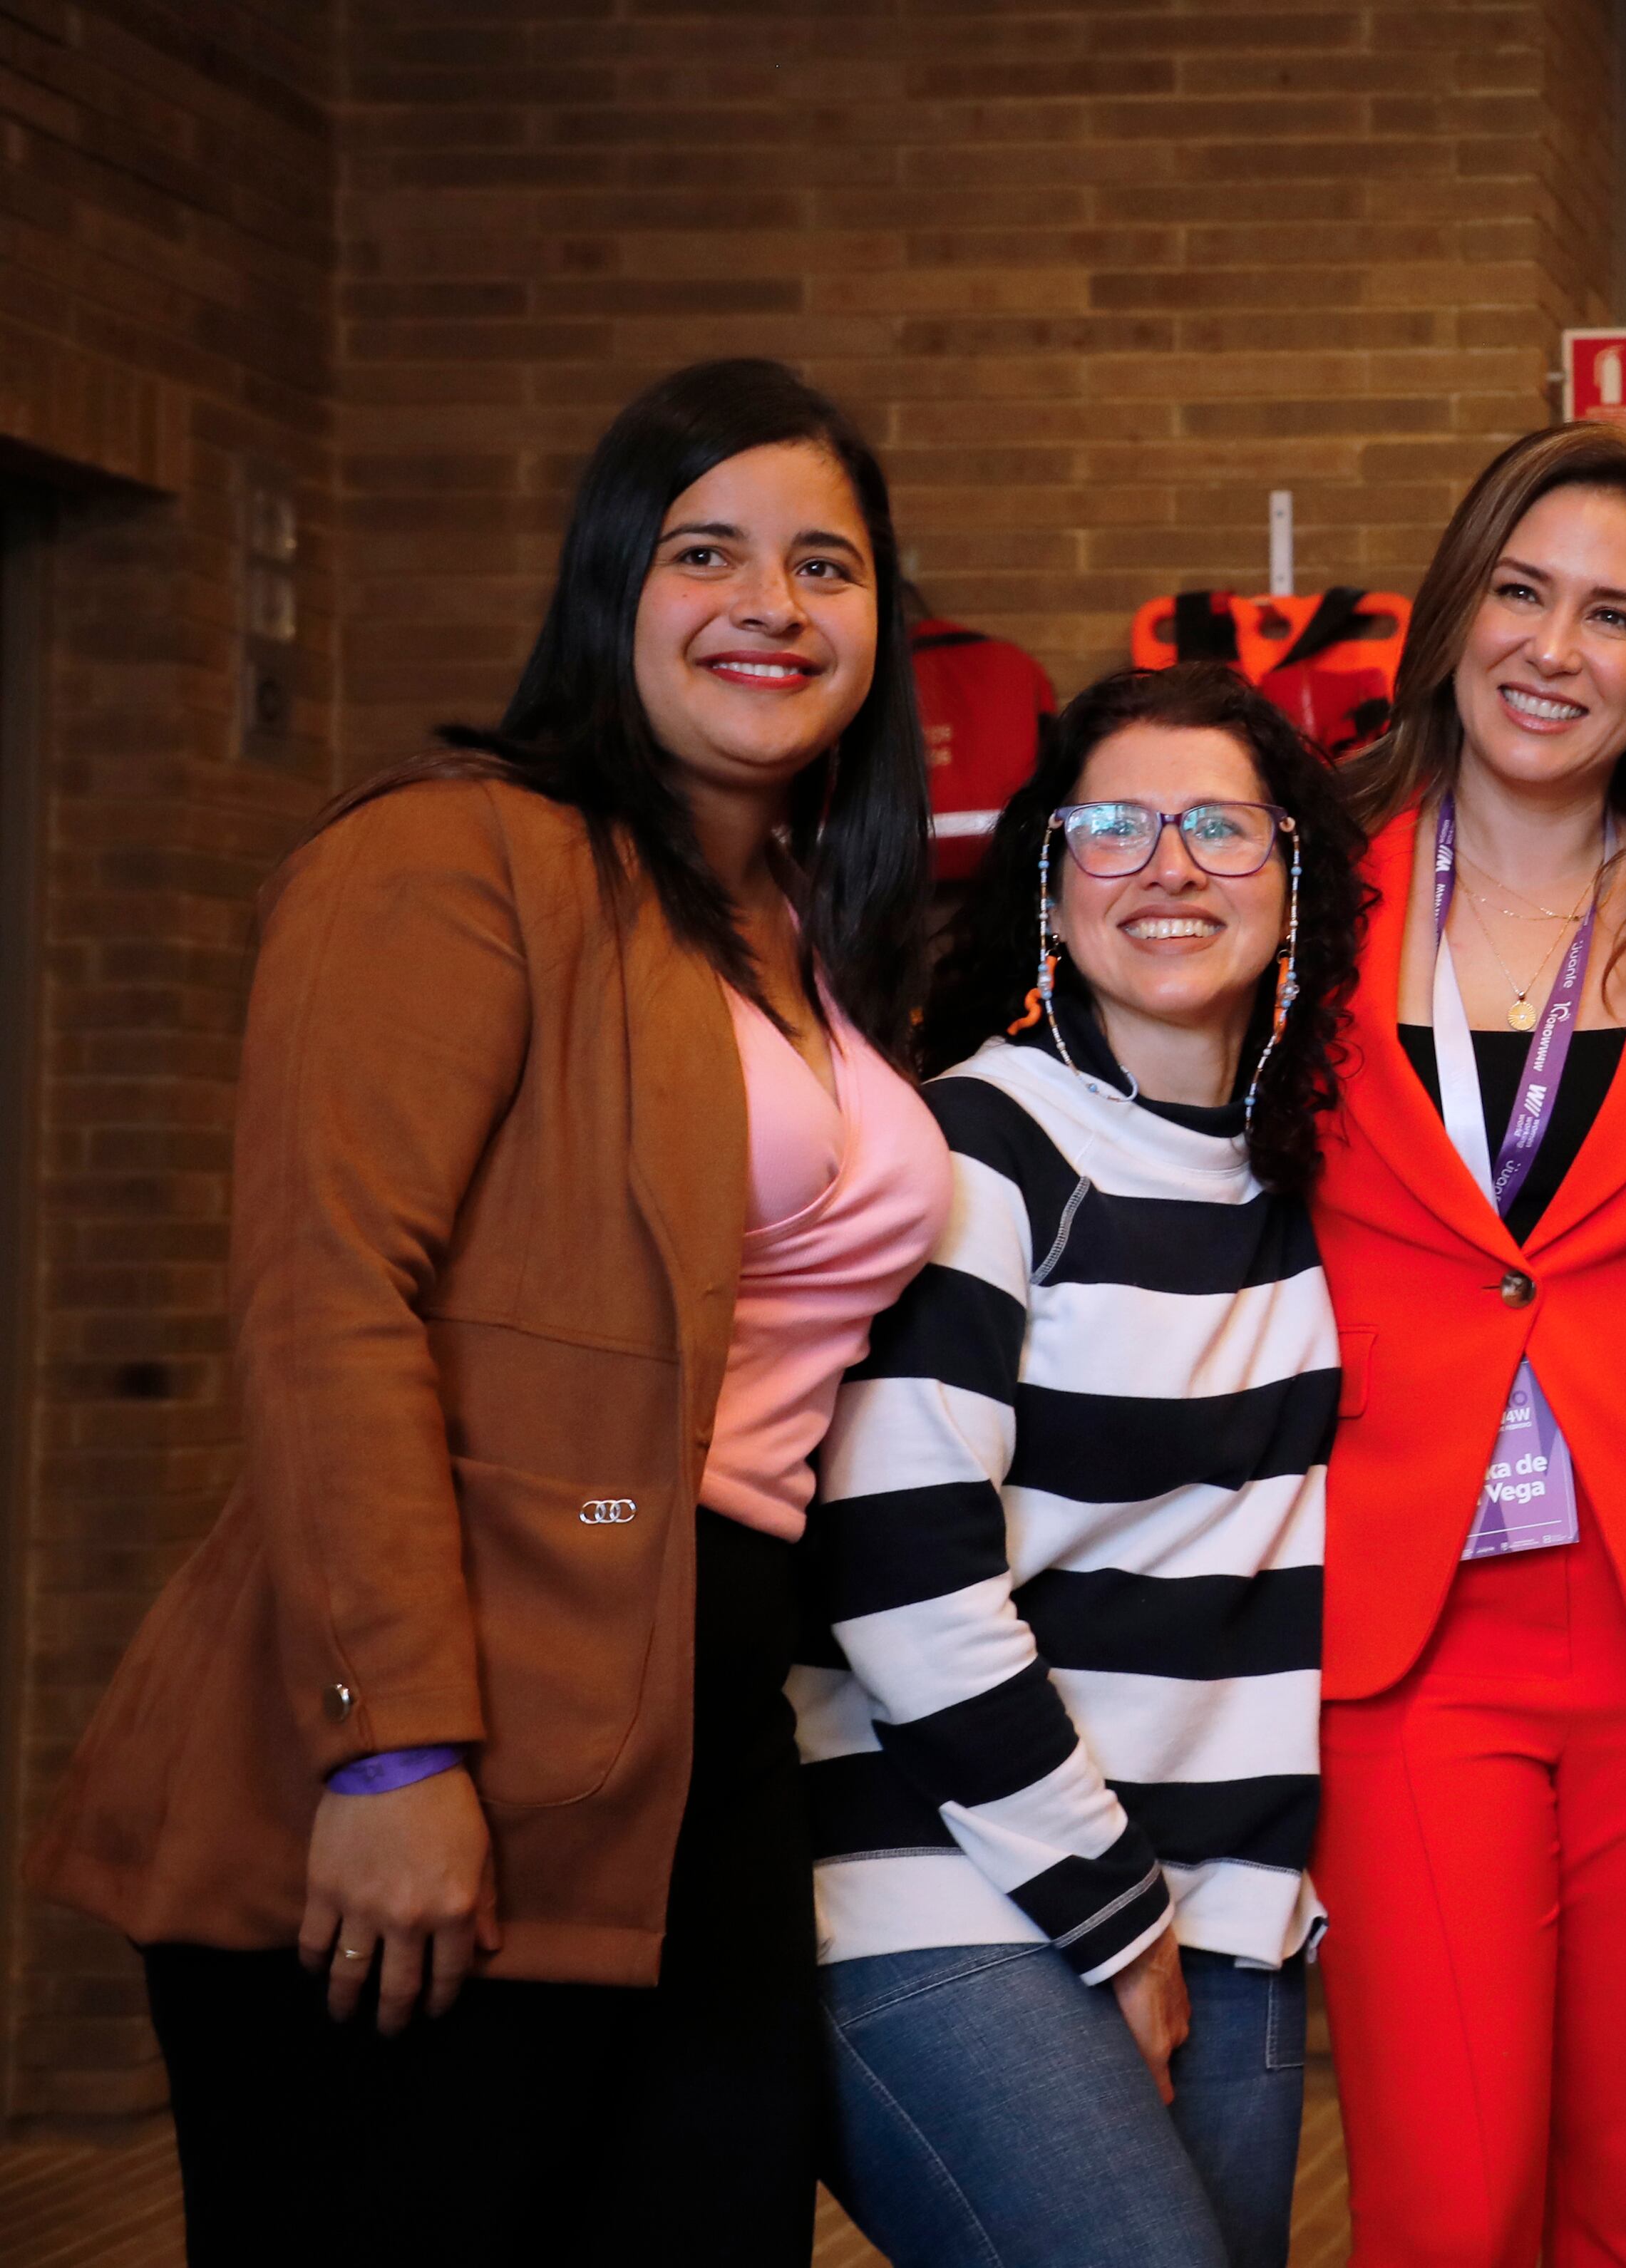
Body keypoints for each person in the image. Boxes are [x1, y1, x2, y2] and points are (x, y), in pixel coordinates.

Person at [29, 359, 945, 2264]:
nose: (771, 602)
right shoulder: (455, 854)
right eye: (707, 550)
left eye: (825, 563)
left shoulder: (795, 921)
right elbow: (328, 1297)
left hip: (705, 1732)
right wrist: (392, 1743)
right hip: (456, 1718)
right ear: (609, 586)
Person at [796, 663, 1366, 2268]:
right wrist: (1109, 1907)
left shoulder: (1305, 1185)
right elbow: (899, 1581)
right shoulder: (982, 1152)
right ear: (1049, 880)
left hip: (1229, 1899)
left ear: (1297, 878)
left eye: (1221, 828)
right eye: (1110, 827)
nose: (1168, 865)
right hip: (950, 1883)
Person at [1305, 421, 1626, 2267]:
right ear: (1454, 609)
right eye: (1521, 589)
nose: (1554, 648)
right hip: (1411, 1641)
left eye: (1614, 616)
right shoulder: (1301, 887)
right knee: (1451, 2192)